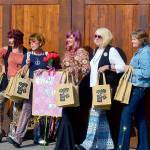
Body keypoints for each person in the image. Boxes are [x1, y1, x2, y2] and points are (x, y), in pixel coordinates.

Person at [77, 27, 125, 150]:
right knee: (102, 118)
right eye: (95, 36)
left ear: (106, 37)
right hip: (95, 89)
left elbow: (123, 67)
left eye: (99, 36)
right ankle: (106, 145)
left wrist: (108, 66)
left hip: (106, 90)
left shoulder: (111, 50)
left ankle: (86, 145)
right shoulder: (96, 50)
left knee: (94, 114)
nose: (96, 38)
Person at [7, 33, 48, 147]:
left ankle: (38, 137)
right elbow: (23, 72)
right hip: (30, 87)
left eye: (34, 42)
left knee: (40, 112)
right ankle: (18, 138)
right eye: (30, 42)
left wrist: (44, 71)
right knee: (26, 110)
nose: (31, 44)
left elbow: (52, 70)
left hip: (43, 88)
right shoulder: (28, 55)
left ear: (40, 42)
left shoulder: (46, 55)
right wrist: (26, 65)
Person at [55, 31, 91, 150]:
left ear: (77, 39)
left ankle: (66, 145)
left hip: (78, 89)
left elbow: (86, 69)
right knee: (66, 115)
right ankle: (66, 145)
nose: (68, 39)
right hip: (67, 88)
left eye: (71, 37)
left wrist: (73, 70)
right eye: (68, 37)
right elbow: (64, 69)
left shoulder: (82, 52)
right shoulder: (67, 53)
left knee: (68, 115)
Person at [117, 29, 150, 150]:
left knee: (126, 115)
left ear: (141, 40)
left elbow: (147, 73)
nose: (131, 41)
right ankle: (144, 147)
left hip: (138, 88)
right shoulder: (141, 51)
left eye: (134, 39)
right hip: (139, 88)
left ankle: (122, 147)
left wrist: (129, 69)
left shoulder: (145, 52)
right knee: (140, 117)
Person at [0, 29, 27, 142]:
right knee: (0, 104)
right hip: (6, 81)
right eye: (9, 38)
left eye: (12, 38)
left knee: (16, 108)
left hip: (19, 83)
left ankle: (13, 131)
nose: (10, 41)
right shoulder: (6, 50)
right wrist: (2, 67)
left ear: (18, 39)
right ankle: (0, 131)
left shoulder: (26, 51)